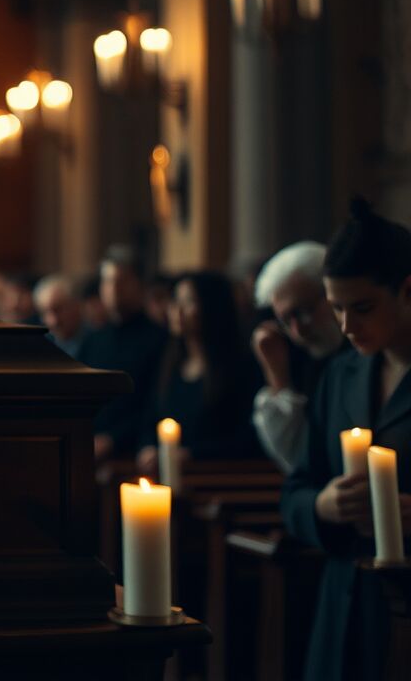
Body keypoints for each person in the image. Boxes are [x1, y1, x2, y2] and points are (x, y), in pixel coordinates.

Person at [281, 199, 411, 681]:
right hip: (343, 607)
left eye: (362, 308)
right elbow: (295, 489)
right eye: (335, 309)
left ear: (407, 291)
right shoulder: (341, 374)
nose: (346, 327)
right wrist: (322, 506)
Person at [136, 272, 263, 474]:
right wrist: (149, 447)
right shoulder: (170, 363)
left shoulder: (239, 367)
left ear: (212, 308)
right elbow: (151, 418)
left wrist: (193, 454)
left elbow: (247, 439)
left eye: (188, 302)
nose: (176, 310)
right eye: (175, 300)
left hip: (216, 478)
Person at [251, 242, 347, 474]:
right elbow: (295, 460)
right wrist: (277, 375)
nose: (298, 331)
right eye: (286, 321)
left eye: (303, 312)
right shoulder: (292, 355)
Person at [78, 245, 169, 461]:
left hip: (134, 452)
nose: (114, 288)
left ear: (140, 285)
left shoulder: (159, 339)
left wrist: (113, 440)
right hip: (89, 446)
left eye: (122, 281)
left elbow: (154, 403)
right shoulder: (93, 339)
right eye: (108, 281)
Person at [33, 274, 87, 357]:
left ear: (76, 305)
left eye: (58, 310)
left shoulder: (102, 342)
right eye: (45, 312)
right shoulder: (39, 347)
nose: (53, 321)